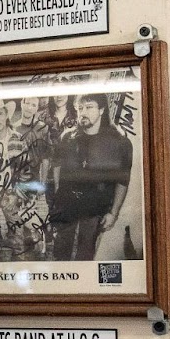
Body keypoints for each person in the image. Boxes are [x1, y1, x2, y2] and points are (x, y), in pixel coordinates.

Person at [45, 93, 132, 261]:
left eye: (89, 107)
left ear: (101, 110)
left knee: (86, 254)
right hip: (67, 207)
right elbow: (57, 165)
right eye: (80, 108)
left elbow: (123, 181)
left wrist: (113, 213)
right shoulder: (68, 138)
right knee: (61, 252)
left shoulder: (119, 143)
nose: (83, 112)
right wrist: (58, 194)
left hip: (95, 210)